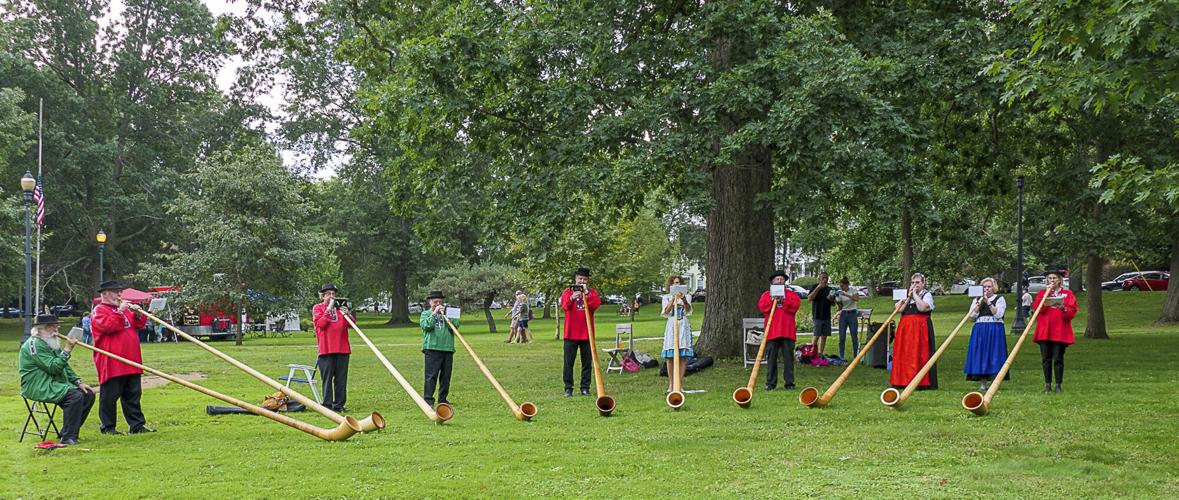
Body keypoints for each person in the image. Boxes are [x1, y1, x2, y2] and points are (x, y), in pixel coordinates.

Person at [20, 314, 97, 446]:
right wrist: (67, 349)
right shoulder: (34, 345)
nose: (56, 330)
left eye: (56, 326)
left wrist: (78, 382)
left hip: (54, 382)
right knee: (75, 396)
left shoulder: (49, 342)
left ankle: (67, 431)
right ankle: (68, 437)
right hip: (38, 385)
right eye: (52, 327)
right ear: (40, 329)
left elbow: (65, 367)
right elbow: (53, 368)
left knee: (88, 394)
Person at [90, 280, 154, 434]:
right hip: (112, 360)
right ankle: (108, 427)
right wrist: (119, 311)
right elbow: (109, 327)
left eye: (120, 291)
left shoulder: (124, 309)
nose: (119, 294)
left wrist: (139, 315)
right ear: (105, 294)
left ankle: (137, 425)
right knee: (110, 395)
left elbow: (137, 326)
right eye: (115, 291)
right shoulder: (99, 310)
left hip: (131, 358)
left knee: (133, 394)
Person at [890, 273, 938, 390]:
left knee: (919, 353)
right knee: (904, 354)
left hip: (920, 330)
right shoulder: (907, 296)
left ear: (923, 283)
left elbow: (923, 308)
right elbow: (899, 309)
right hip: (905, 330)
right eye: (913, 283)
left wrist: (915, 295)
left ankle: (920, 381)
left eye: (917, 282)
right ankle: (902, 380)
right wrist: (908, 297)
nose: (914, 285)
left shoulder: (926, 295)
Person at [1033, 270, 1077, 393]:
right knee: (1046, 359)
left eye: (1054, 278)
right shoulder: (1042, 293)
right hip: (1045, 330)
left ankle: (1058, 385)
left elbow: (1072, 312)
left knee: (1058, 358)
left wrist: (1064, 308)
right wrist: (1046, 297)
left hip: (1060, 331)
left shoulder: (1067, 294)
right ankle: (1047, 384)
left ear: (1059, 280)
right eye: (1050, 278)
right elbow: (1038, 310)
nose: (1052, 281)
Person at [559, 267, 601, 397]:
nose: (581, 281)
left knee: (587, 362)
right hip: (571, 333)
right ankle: (568, 388)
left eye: (584, 280)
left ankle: (585, 387)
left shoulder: (591, 293)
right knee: (568, 362)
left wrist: (587, 294)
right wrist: (572, 298)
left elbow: (595, 305)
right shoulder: (567, 292)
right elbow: (565, 306)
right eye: (579, 279)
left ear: (587, 281)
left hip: (587, 333)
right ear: (575, 279)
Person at [758, 270, 801, 390]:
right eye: (777, 279)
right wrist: (773, 300)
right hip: (772, 331)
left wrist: (784, 301)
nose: (780, 281)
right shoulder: (767, 295)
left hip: (787, 331)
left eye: (782, 279)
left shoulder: (791, 294)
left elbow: (795, 307)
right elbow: (762, 308)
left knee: (788, 359)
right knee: (771, 359)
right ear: (772, 281)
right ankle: (770, 383)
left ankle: (789, 383)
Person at [312, 284, 352, 412]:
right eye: (329, 293)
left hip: (342, 348)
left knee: (341, 379)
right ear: (323, 296)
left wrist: (348, 314)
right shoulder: (318, 308)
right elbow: (321, 324)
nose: (332, 296)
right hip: (326, 349)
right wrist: (329, 308)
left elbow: (351, 324)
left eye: (333, 294)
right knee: (327, 378)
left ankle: (339, 404)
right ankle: (328, 404)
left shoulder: (340, 309)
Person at [963, 277, 1008, 390]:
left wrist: (988, 302)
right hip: (980, 329)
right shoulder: (977, 299)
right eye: (984, 287)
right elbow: (972, 316)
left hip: (994, 329)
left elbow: (998, 314)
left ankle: (994, 382)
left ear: (994, 287)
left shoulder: (999, 298)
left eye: (989, 286)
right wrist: (979, 303)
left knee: (994, 354)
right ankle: (982, 383)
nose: (987, 289)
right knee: (981, 354)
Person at [420, 290, 456, 408]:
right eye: (435, 302)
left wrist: (448, 315)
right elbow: (426, 326)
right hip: (432, 348)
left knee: (446, 376)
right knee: (431, 375)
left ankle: (443, 399)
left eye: (440, 302)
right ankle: (429, 400)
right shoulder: (426, 314)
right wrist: (435, 313)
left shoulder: (449, 313)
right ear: (430, 303)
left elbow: (455, 326)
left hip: (447, 348)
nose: (438, 304)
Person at [661, 275, 694, 394]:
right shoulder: (666, 297)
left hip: (683, 325)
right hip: (671, 326)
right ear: (671, 285)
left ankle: (679, 384)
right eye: (674, 283)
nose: (677, 285)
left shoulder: (687, 296)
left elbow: (689, 310)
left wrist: (684, 300)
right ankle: (671, 384)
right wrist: (673, 299)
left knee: (682, 356)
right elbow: (666, 312)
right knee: (670, 357)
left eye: (679, 283)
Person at [832, 277, 861, 359]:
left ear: (847, 284)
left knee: (854, 335)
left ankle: (856, 355)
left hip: (852, 313)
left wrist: (845, 294)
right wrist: (837, 303)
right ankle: (841, 356)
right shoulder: (840, 292)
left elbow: (856, 299)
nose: (841, 288)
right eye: (840, 286)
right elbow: (841, 305)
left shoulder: (853, 290)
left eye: (842, 286)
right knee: (842, 336)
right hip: (844, 314)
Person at [808, 272, 834, 356]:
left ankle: (820, 353)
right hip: (817, 315)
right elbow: (810, 298)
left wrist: (831, 299)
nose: (825, 280)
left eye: (826, 278)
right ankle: (812, 353)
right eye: (823, 278)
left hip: (826, 315)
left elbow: (833, 304)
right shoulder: (815, 286)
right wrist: (818, 288)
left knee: (824, 336)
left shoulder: (829, 289)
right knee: (816, 335)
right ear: (819, 279)